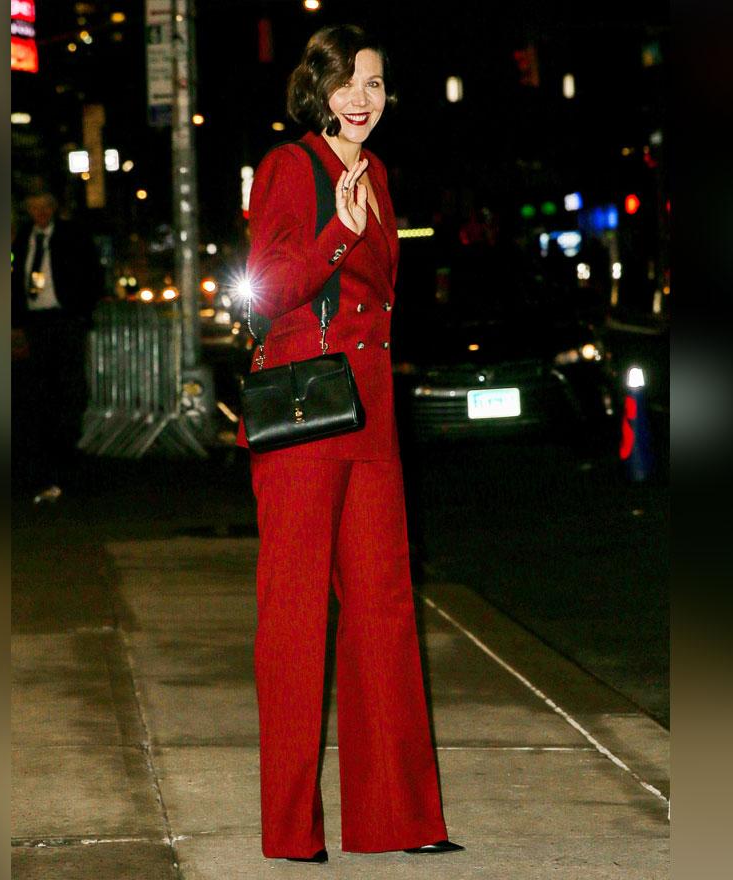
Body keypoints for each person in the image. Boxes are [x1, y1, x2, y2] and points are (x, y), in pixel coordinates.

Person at [237, 25, 463, 863]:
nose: (362, 97)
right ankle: (292, 832)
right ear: (317, 88)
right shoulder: (290, 167)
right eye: (347, 82)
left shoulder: (381, 173)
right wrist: (336, 231)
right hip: (304, 413)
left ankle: (401, 820)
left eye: (374, 82)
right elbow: (267, 290)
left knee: (384, 613)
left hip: (368, 411)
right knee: (294, 621)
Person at [11, 191, 100, 503]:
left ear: (53, 208)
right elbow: (13, 279)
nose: (40, 213)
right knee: (37, 392)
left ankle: (66, 454)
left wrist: (81, 311)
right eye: (34, 208)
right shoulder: (23, 239)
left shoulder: (71, 236)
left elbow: (91, 273)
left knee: (67, 388)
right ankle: (44, 458)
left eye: (45, 207)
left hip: (65, 319)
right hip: (36, 322)